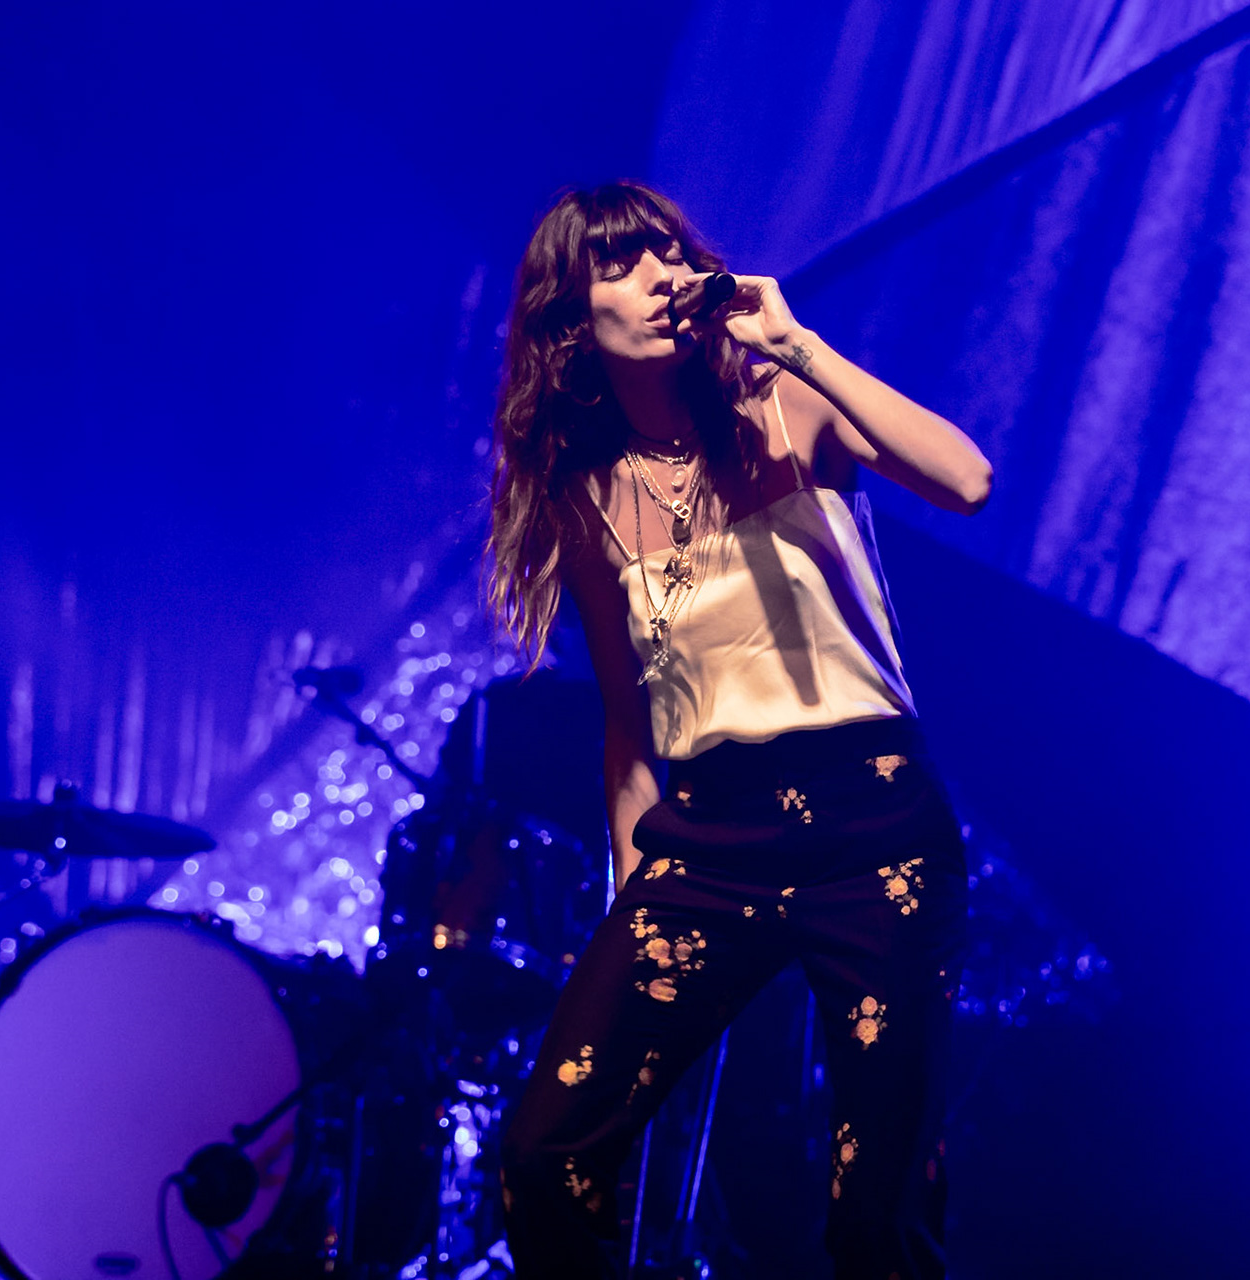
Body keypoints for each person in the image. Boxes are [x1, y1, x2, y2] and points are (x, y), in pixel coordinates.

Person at [487, 181, 992, 1279]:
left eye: (671, 252)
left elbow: (966, 479)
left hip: (876, 826)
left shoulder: (782, 403)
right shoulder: (586, 498)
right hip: (712, 842)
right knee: (543, 1151)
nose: (663, 275)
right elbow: (629, 727)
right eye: (623, 263)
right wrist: (631, 906)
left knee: (876, 1210)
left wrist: (799, 345)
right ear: (573, 319)